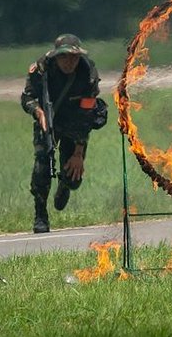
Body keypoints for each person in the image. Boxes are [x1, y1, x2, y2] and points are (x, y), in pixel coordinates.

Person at [21, 34, 107, 234]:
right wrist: (38, 111)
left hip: (75, 122)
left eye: (74, 57)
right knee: (42, 165)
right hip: (47, 121)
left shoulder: (87, 73)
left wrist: (79, 152)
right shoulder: (42, 69)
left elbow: (88, 114)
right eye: (65, 57)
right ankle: (40, 214)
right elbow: (27, 97)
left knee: (74, 176)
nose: (70, 62)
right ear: (56, 57)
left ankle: (65, 184)